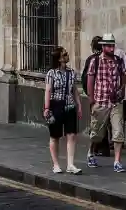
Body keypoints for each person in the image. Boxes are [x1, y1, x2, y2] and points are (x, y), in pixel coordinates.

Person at [86, 33, 126, 172]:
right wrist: (91, 99)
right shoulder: (95, 61)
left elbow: (123, 75)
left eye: (112, 45)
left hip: (116, 102)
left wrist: (122, 89)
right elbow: (90, 80)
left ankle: (117, 161)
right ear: (103, 47)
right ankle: (91, 152)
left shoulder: (118, 60)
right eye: (108, 45)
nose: (111, 48)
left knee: (118, 131)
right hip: (101, 101)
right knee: (97, 133)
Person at [44, 46, 82, 175]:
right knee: (55, 136)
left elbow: (74, 90)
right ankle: (56, 164)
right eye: (65, 54)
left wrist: (79, 105)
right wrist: (47, 108)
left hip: (70, 106)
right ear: (60, 59)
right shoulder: (51, 73)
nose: (67, 55)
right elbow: (48, 90)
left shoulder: (71, 72)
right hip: (56, 106)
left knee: (71, 135)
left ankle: (70, 164)